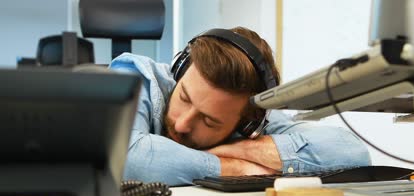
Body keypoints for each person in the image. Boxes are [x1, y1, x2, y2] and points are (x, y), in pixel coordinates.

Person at [110, 27, 371, 186]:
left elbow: (352, 152)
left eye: (209, 121)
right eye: (184, 98)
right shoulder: (133, 75)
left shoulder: (252, 122)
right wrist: (232, 167)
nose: (182, 123)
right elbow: (123, 158)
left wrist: (242, 148)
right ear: (180, 70)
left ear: (247, 125)